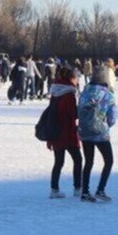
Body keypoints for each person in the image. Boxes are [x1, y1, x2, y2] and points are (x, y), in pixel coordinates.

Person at [78, 65, 116, 202]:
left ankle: (85, 192)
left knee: (88, 162)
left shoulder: (85, 91)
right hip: (100, 132)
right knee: (109, 161)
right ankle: (100, 189)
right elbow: (112, 118)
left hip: (85, 130)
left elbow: (79, 109)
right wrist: (106, 125)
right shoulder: (108, 94)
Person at [46, 67, 82, 199]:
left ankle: (54, 189)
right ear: (70, 78)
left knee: (58, 162)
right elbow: (72, 114)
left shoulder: (55, 92)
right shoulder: (69, 94)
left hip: (56, 132)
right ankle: (78, 187)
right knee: (77, 159)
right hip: (68, 131)